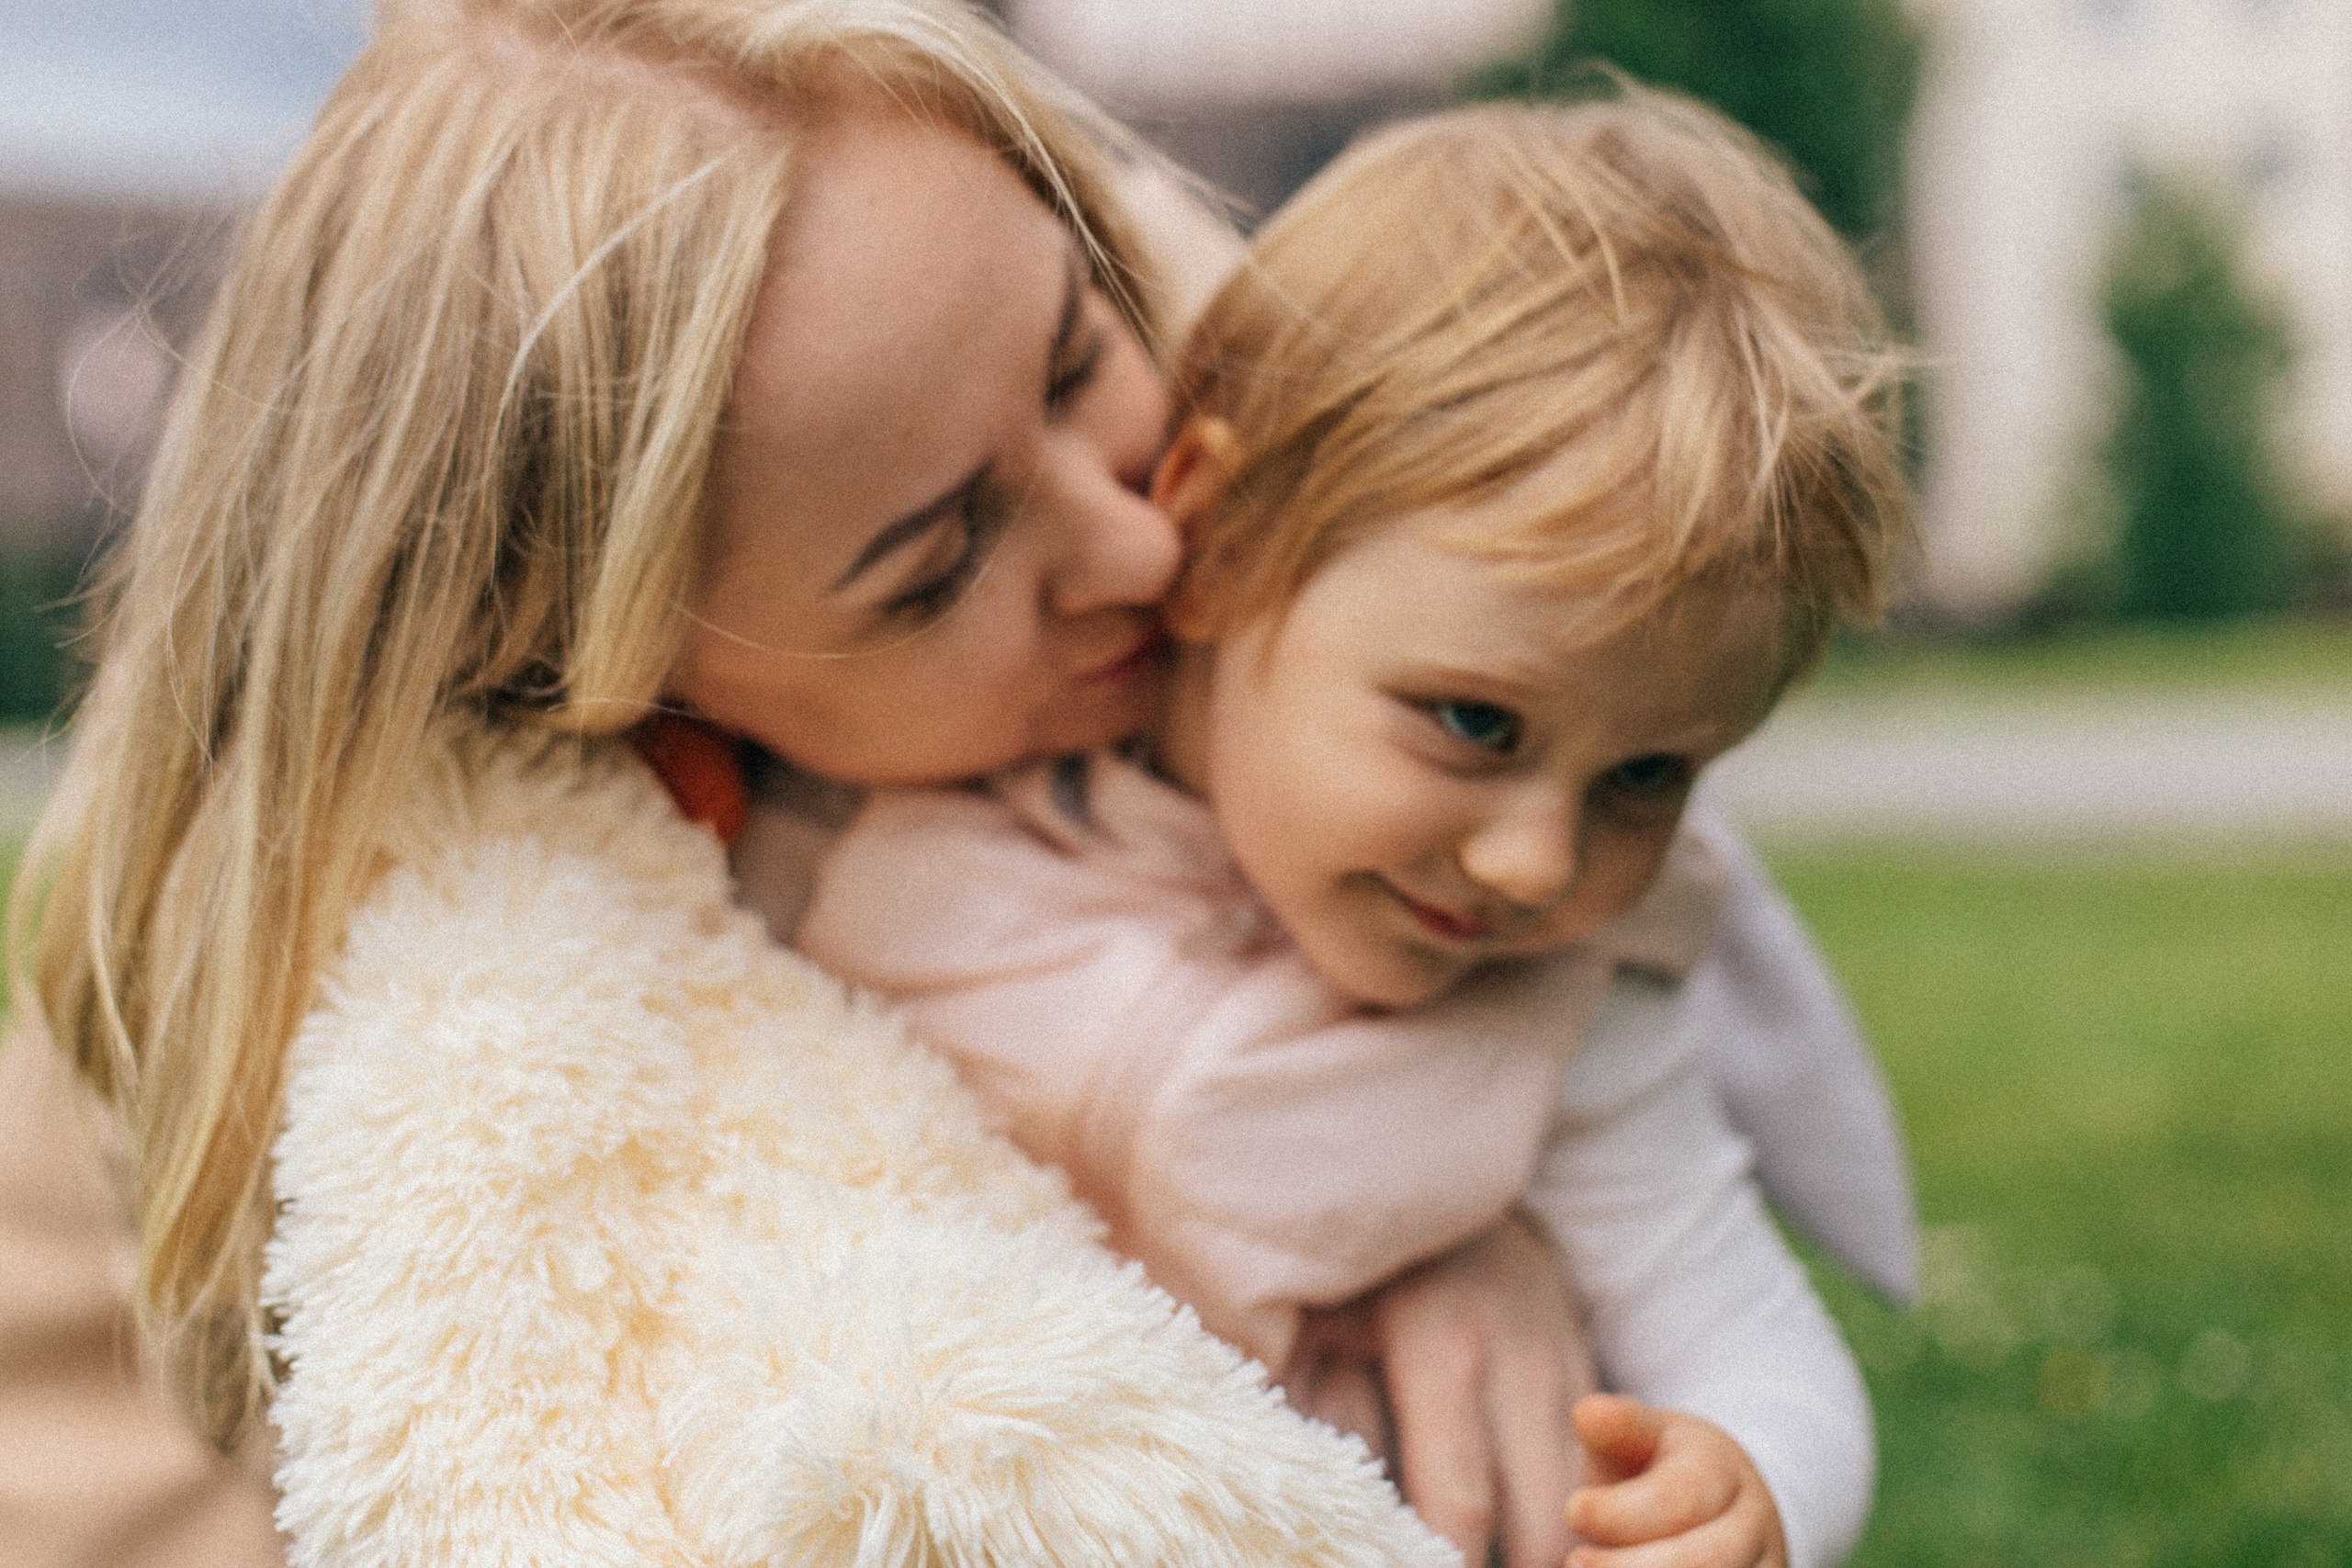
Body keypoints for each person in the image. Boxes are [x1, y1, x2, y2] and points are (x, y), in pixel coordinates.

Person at [0, 2, 1905, 1564]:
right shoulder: (438, 1036)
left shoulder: (1290, 491)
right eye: (930, 565)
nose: (1145, 553)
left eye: (1082, 361)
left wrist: (1456, 1205)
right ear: (589, 667)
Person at [794, 92, 1909, 1568]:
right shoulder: (926, 795)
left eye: (1648, 776)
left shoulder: (1572, 1024)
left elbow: (1756, 1342)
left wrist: (1751, 1486)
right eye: (1474, 724)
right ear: (1226, 538)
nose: (1537, 865)